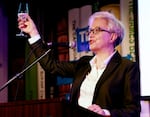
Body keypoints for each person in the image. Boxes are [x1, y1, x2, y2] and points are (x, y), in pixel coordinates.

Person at [18, 11, 141, 117]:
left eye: (96, 30)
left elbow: (133, 111)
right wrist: (33, 32)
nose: (91, 34)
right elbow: (51, 66)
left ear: (112, 36)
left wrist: (105, 113)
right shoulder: (84, 64)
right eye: (90, 31)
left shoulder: (127, 67)